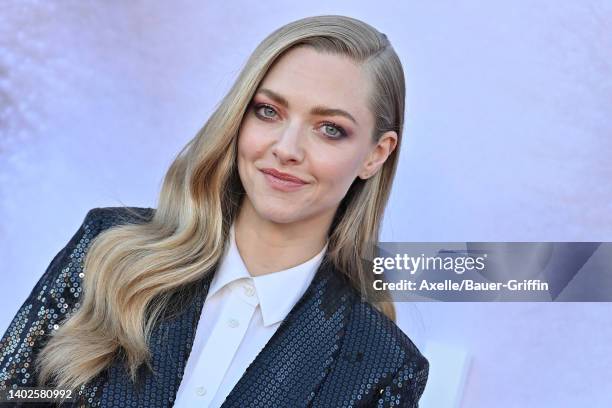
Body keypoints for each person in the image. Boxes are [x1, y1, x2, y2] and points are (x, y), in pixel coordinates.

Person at [0, 15, 428, 407]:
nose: (286, 148)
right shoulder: (106, 250)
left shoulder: (383, 367)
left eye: (330, 129)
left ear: (375, 154)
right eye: (268, 111)